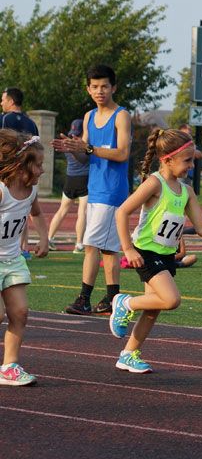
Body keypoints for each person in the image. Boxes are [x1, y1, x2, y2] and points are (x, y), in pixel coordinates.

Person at [109, 128, 202, 373]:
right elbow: (122, 212)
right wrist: (127, 249)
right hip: (146, 252)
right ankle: (124, 303)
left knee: (153, 308)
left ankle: (128, 354)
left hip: (165, 254)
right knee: (171, 299)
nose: (191, 165)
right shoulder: (154, 183)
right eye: (187, 160)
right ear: (167, 159)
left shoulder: (187, 191)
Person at [52, 65, 132, 315]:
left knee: (91, 245)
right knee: (107, 249)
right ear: (88, 89)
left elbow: (122, 153)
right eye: (95, 87)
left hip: (112, 191)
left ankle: (84, 299)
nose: (100, 91)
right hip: (95, 188)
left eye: (105, 86)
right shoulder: (88, 117)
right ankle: (112, 299)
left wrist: (87, 149)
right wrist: (74, 148)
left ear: (114, 87)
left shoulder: (121, 115)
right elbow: (87, 157)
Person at [0, 131, 48, 386]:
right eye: (38, 165)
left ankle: (9, 366)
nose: (42, 170)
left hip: (13, 259)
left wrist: (44, 238)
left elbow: (37, 214)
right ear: (22, 166)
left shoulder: (30, 191)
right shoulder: (2, 190)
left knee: (20, 312)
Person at [2, 87, 40, 259]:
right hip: (26, 174)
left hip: (7, 173)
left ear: (11, 101)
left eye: (3, 99)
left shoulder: (4, 119)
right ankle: (22, 247)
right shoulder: (30, 122)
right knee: (22, 206)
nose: (1, 103)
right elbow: (35, 147)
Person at [47, 119, 89, 253]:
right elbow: (87, 158)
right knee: (82, 212)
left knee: (62, 210)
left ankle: (49, 239)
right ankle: (79, 244)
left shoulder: (67, 144)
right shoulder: (84, 144)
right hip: (84, 179)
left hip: (70, 179)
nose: (75, 136)